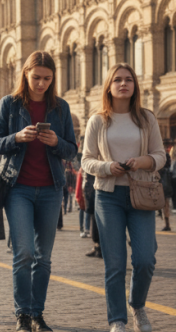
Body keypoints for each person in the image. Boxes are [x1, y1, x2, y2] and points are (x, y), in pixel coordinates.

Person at [0, 51, 77, 331]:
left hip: (51, 189)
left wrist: (56, 142)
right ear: (25, 74)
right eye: (36, 77)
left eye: (47, 79)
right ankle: (22, 314)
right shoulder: (10, 105)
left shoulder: (61, 107)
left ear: (53, 79)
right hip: (18, 189)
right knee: (24, 252)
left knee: (44, 257)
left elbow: (72, 150)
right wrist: (17, 137)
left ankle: (37, 314)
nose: (41, 84)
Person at [81, 63, 165, 332]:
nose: (123, 84)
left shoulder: (147, 118)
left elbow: (161, 156)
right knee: (114, 264)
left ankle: (137, 305)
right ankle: (117, 320)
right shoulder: (98, 120)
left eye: (128, 79)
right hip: (108, 197)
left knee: (145, 259)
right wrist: (108, 167)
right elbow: (86, 161)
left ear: (134, 86)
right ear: (109, 86)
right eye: (117, 80)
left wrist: (143, 161)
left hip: (141, 194)